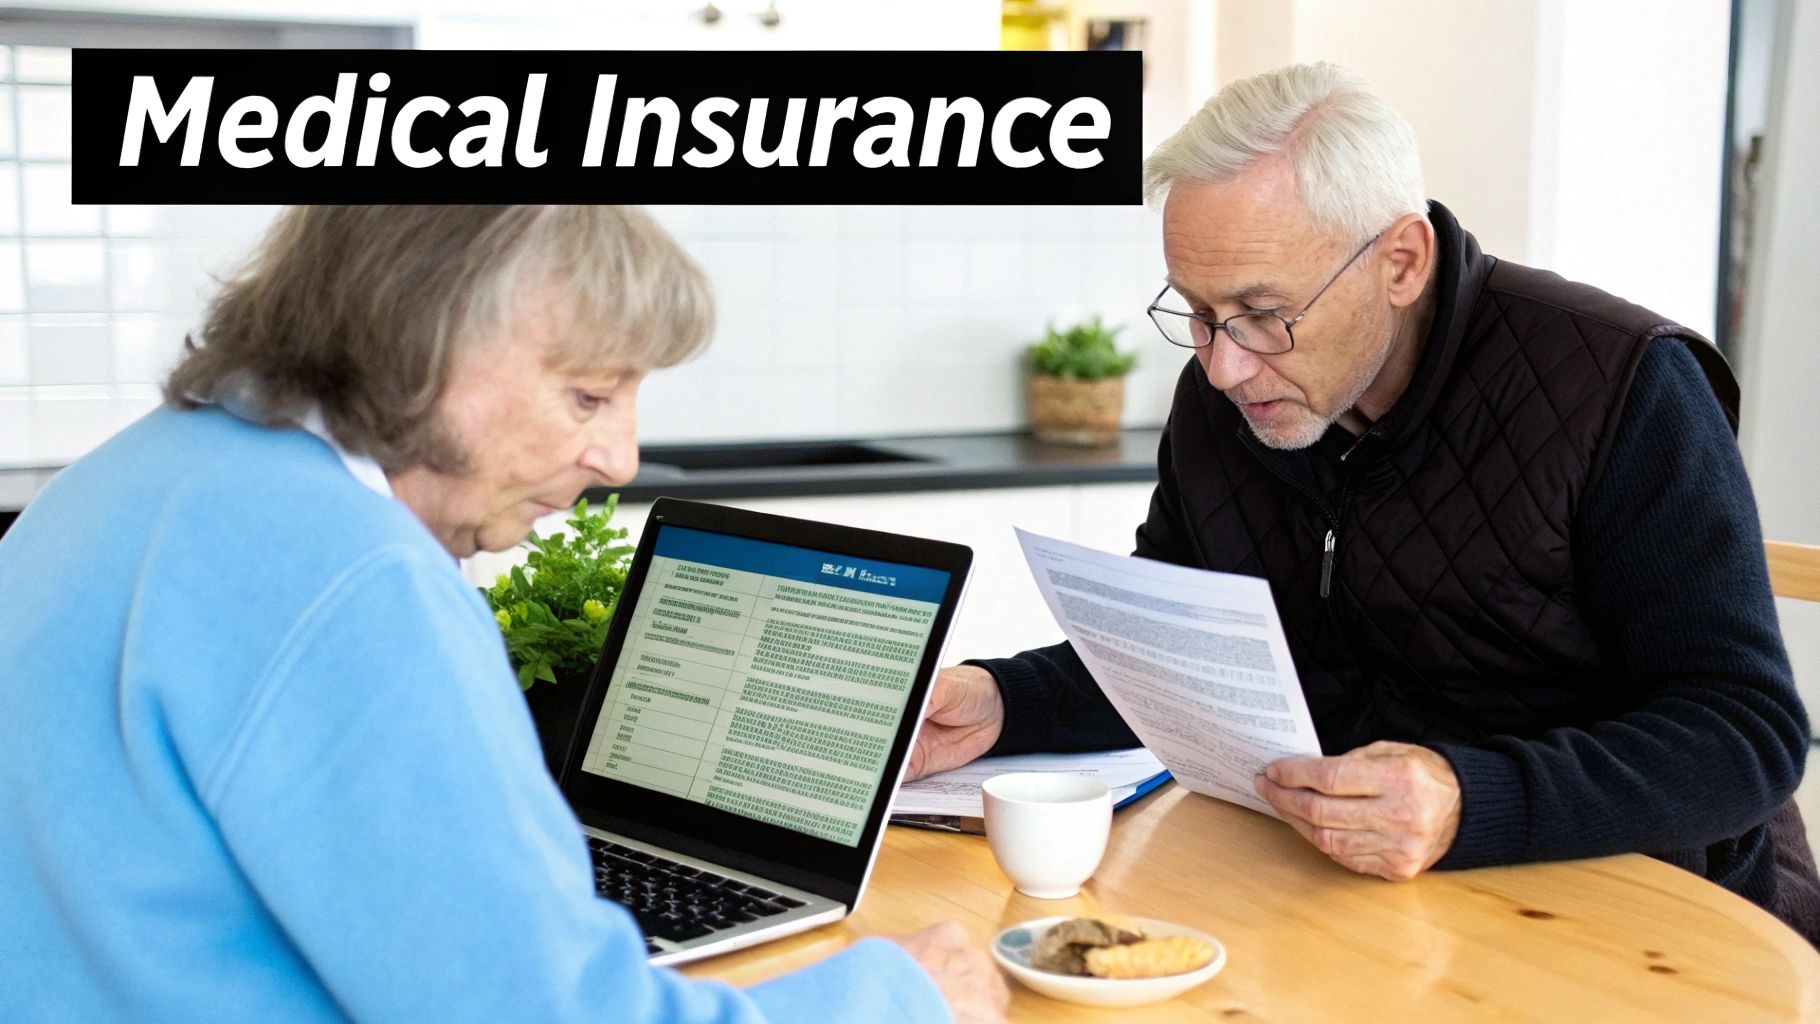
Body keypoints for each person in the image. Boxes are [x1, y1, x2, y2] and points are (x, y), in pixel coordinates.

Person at [0, 206, 1008, 1023]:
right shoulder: (359, 580)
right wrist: (895, 997)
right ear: (423, 345)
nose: (619, 459)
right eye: (588, 397)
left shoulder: (121, 481)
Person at [908, 63, 1820, 944]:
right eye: (1199, 313)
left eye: (1264, 314)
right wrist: (1004, 701)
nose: (1223, 367)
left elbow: (1746, 734)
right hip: (1358, 903)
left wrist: (1467, 801)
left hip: (1645, 917)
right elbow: (1174, 665)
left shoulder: (1621, 387)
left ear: (1401, 261)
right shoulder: (1227, 400)